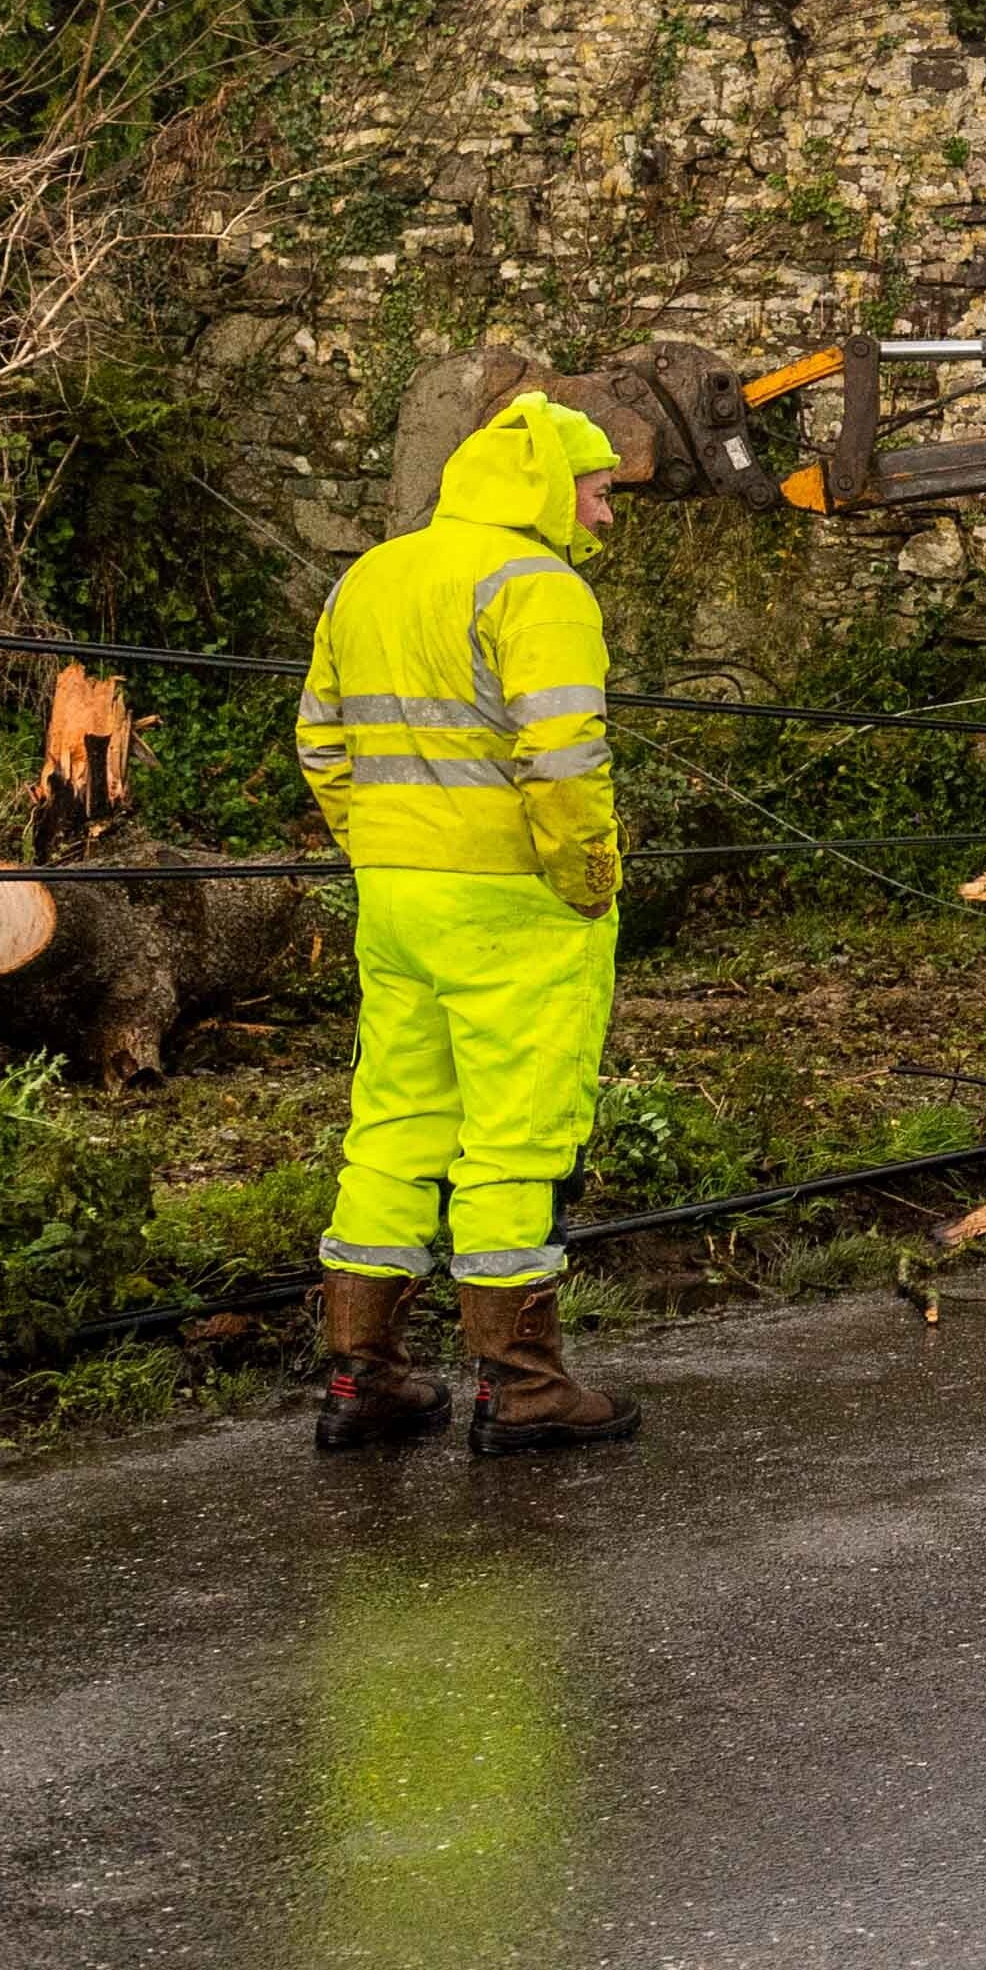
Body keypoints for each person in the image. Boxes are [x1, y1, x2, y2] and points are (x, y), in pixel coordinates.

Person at [296, 389, 637, 1458]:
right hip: (513, 903)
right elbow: (565, 754)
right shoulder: (541, 586)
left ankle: (366, 1376)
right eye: (596, 487)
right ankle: (521, 1384)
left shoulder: (374, 572)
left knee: (394, 1120)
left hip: (396, 896)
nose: (605, 512)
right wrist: (587, 868)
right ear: (542, 482)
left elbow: (320, 738)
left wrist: (382, 845)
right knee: (513, 1133)